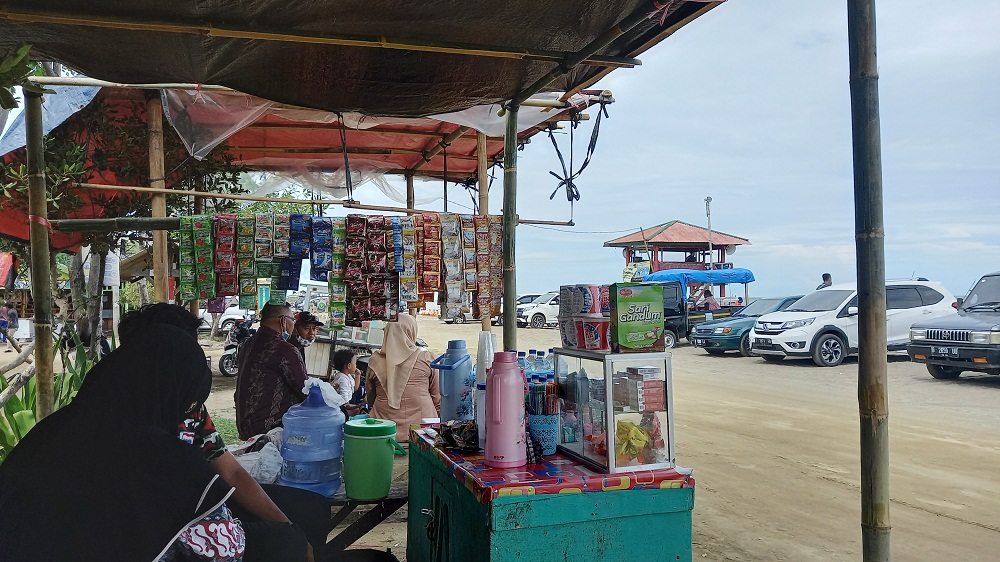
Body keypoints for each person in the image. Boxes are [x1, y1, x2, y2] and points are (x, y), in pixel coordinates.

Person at [0, 324, 304, 561]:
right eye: (188, 401)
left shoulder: (54, 428)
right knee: (282, 543)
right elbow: (224, 550)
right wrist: (290, 537)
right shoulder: (161, 457)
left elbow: (230, 472)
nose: (191, 412)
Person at [115, 303, 314, 561]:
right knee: (286, 544)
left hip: (199, 512)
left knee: (308, 511)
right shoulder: (120, 419)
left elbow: (229, 470)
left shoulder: (189, 408)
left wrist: (288, 526)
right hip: (166, 532)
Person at [235, 302, 309, 440]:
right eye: (292, 320)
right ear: (283, 321)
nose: (293, 326)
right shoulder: (285, 350)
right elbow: (305, 390)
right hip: (270, 431)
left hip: (245, 426)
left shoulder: (247, 344)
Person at [366, 313, 440, 442]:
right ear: (411, 331)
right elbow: (437, 397)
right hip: (423, 434)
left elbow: (370, 397)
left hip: (384, 434)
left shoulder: (375, 360)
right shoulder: (427, 358)